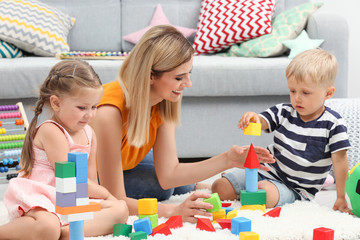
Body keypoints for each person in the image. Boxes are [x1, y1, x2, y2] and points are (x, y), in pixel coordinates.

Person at [91, 24, 275, 223]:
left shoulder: (163, 101)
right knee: (158, 187)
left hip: (126, 161)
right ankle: (191, 187)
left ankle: (193, 186)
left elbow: (170, 173)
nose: (188, 84)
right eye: (179, 77)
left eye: (189, 74)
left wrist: (228, 159)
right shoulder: (108, 114)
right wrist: (173, 211)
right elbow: (115, 202)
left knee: (169, 179)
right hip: (88, 176)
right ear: (151, 76)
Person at [212, 49, 352, 213]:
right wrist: (254, 118)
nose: (297, 98)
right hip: (265, 171)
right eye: (292, 91)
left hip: (296, 189)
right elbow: (264, 121)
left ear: (328, 93)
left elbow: (340, 161)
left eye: (305, 92)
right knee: (219, 187)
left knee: (261, 192)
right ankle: (236, 192)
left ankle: (250, 195)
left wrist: (341, 197)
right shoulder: (284, 111)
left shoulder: (333, 124)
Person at [0, 60, 128, 240]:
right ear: (56, 103)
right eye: (82, 107)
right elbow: (70, 179)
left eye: (94, 107)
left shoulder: (90, 134)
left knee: (121, 209)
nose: (89, 114)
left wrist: (104, 201)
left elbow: (89, 180)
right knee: (48, 227)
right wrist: (106, 194)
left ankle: (68, 232)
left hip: (72, 200)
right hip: (43, 200)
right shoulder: (51, 130)